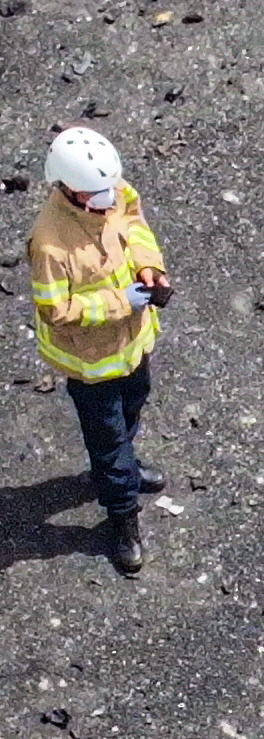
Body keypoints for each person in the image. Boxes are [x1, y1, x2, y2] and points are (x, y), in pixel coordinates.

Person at [24, 126, 170, 577]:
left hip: (132, 345)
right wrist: (117, 303)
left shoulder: (112, 189)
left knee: (132, 409)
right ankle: (122, 518)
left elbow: (136, 225)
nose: (111, 196)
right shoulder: (50, 245)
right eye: (97, 192)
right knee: (107, 447)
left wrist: (150, 269)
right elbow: (55, 310)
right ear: (68, 188)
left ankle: (123, 465)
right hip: (91, 365)